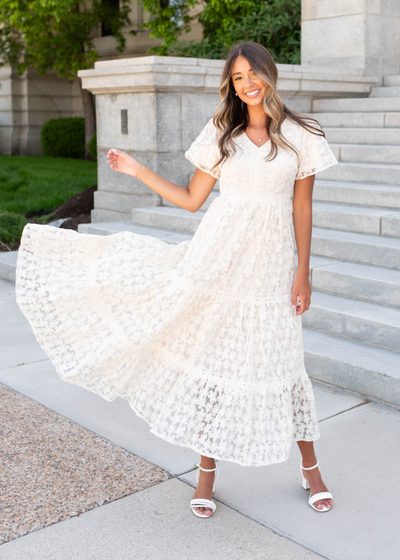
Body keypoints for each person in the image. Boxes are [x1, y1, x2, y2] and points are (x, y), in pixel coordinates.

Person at [15, 41, 337, 520]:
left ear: (270, 73)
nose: (246, 84)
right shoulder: (221, 132)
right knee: (211, 360)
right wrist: (137, 169)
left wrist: (302, 272)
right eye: (237, 77)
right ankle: (206, 472)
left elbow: (302, 206)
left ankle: (311, 469)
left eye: (253, 74)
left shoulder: (301, 133)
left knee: (283, 362)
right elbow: (191, 199)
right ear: (230, 85)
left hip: (270, 266)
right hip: (216, 260)